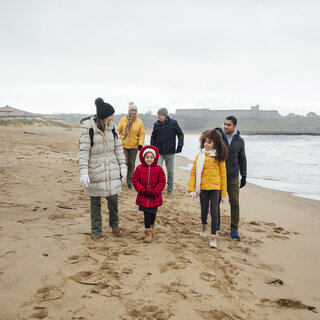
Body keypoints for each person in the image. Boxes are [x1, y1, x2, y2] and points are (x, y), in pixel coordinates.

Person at [79, 97, 127, 239]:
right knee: (95, 202)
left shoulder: (113, 129)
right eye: (110, 116)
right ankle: (96, 231)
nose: (112, 118)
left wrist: (122, 166)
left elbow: (118, 149)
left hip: (111, 169)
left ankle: (114, 225)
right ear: (104, 116)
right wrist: (83, 172)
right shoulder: (89, 129)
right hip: (95, 169)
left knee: (113, 199)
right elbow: (83, 152)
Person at [188, 129, 228, 248]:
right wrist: (191, 189)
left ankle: (213, 236)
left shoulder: (219, 157)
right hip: (203, 188)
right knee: (204, 211)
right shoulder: (200, 156)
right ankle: (204, 226)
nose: (206, 144)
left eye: (209, 142)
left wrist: (224, 193)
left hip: (216, 188)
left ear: (215, 144)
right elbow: (194, 173)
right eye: (205, 142)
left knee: (214, 212)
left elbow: (223, 175)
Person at [216, 116, 247, 241]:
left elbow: (242, 158)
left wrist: (244, 175)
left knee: (234, 202)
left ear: (234, 126)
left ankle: (234, 230)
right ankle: (216, 222)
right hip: (218, 174)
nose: (225, 126)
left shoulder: (240, 141)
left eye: (228, 125)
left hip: (233, 175)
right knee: (215, 201)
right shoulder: (217, 137)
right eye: (224, 124)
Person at [132, 145, 166, 243]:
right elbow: (135, 181)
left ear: (155, 158)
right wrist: (142, 190)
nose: (149, 159)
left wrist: (155, 191)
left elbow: (162, 182)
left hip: (154, 196)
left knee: (153, 213)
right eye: (147, 157)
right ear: (143, 158)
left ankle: (151, 226)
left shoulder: (159, 169)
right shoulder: (139, 169)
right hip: (144, 195)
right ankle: (147, 231)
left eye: (151, 157)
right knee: (146, 213)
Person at [150, 108, 184, 195]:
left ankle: (169, 189)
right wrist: (152, 149)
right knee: (156, 169)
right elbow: (153, 137)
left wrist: (179, 146)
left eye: (159, 115)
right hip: (159, 152)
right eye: (157, 115)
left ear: (164, 115)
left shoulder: (173, 123)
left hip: (170, 152)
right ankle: (157, 188)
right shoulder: (156, 124)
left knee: (170, 171)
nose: (158, 116)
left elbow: (180, 134)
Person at [117, 102, 145, 190]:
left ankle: (129, 183)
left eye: (135, 110)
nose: (133, 112)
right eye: (132, 110)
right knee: (124, 162)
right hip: (123, 145)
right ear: (129, 111)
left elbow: (142, 134)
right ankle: (119, 179)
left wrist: (140, 144)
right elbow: (117, 132)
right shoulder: (123, 120)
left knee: (131, 165)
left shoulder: (139, 122)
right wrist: (115, 142)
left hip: (134, 146)